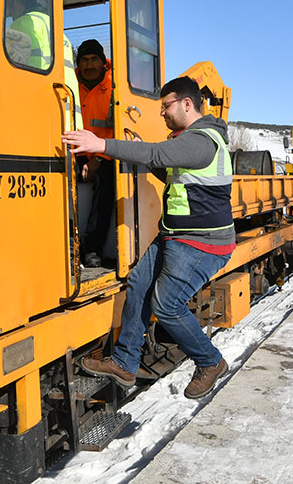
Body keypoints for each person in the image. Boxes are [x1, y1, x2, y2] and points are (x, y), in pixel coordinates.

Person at [62, 76, 235, 399]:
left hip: (202, 242)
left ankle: (210, 362)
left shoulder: (202, 139)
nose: (162, 113)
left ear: (187, 104)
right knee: (140, 282)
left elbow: (158, 156)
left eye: (166, 106)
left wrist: (102, 145)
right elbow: (165, 169)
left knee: (167, 305)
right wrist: (133, 151)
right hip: (177, 234)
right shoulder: (187, 140)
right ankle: (125, 363)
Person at [76, 39, 115, 268]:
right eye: (84, 60)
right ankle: (68, 242)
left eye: (93, 60)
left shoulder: (113, 87)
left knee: (106, 180)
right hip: (76, 150)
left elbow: (117, 129)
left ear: (103, 63)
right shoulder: (68, 82)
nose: (89, 65)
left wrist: (99, 160)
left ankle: (92, 248)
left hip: (105, 152)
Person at [4, 0, 52, 69]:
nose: (12, 18)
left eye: (10, 13)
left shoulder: (22, 23)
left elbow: (10, 63)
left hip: (37, 79)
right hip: (67, 81)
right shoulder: (50, 22)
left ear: (16, 5)